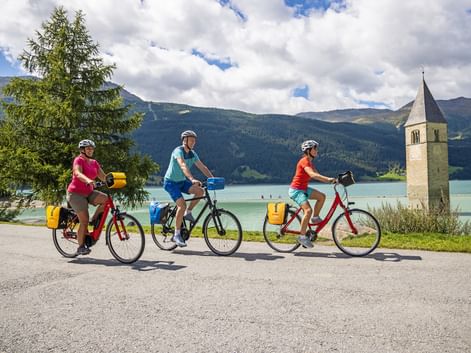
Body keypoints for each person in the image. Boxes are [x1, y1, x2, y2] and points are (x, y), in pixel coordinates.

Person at [163, 130, 214, 247]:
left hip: (181, 182)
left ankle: (188, 212)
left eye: (194, 141)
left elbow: (202, 167)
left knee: (200, 191)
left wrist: (213, 179)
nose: (193, 142)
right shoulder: (178, 151)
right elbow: (182, 165)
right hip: (171, 183)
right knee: (181, 204)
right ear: (184, 140)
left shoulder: (192, 153)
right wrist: (192, 179)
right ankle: (176, 234)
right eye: (191, 140)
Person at [288, 140, 336, 248]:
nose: (316, 150)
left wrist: (332, 181)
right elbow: (312, 175)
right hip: (296, 190)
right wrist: (328, 179)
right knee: (308, 210)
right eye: (315, 148)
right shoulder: (304, 161)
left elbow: (318, 175)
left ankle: (315, 218)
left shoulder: (310, 162)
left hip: (303, 188)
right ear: (308, 150)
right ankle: (302, 236)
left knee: (322, 197)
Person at [66, 139, 107, 255]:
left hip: (88, 192)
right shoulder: (78, 160)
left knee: (106, 200)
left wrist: (113, 180)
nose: (91, 150)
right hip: (75, 194)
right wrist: (88, 180)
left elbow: (103, 177)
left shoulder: (94, 163)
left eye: (92, 148)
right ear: (82, 150)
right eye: (88, 148)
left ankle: (94, 220)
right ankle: (80, 247)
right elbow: (77, 173)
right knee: (84, 221)